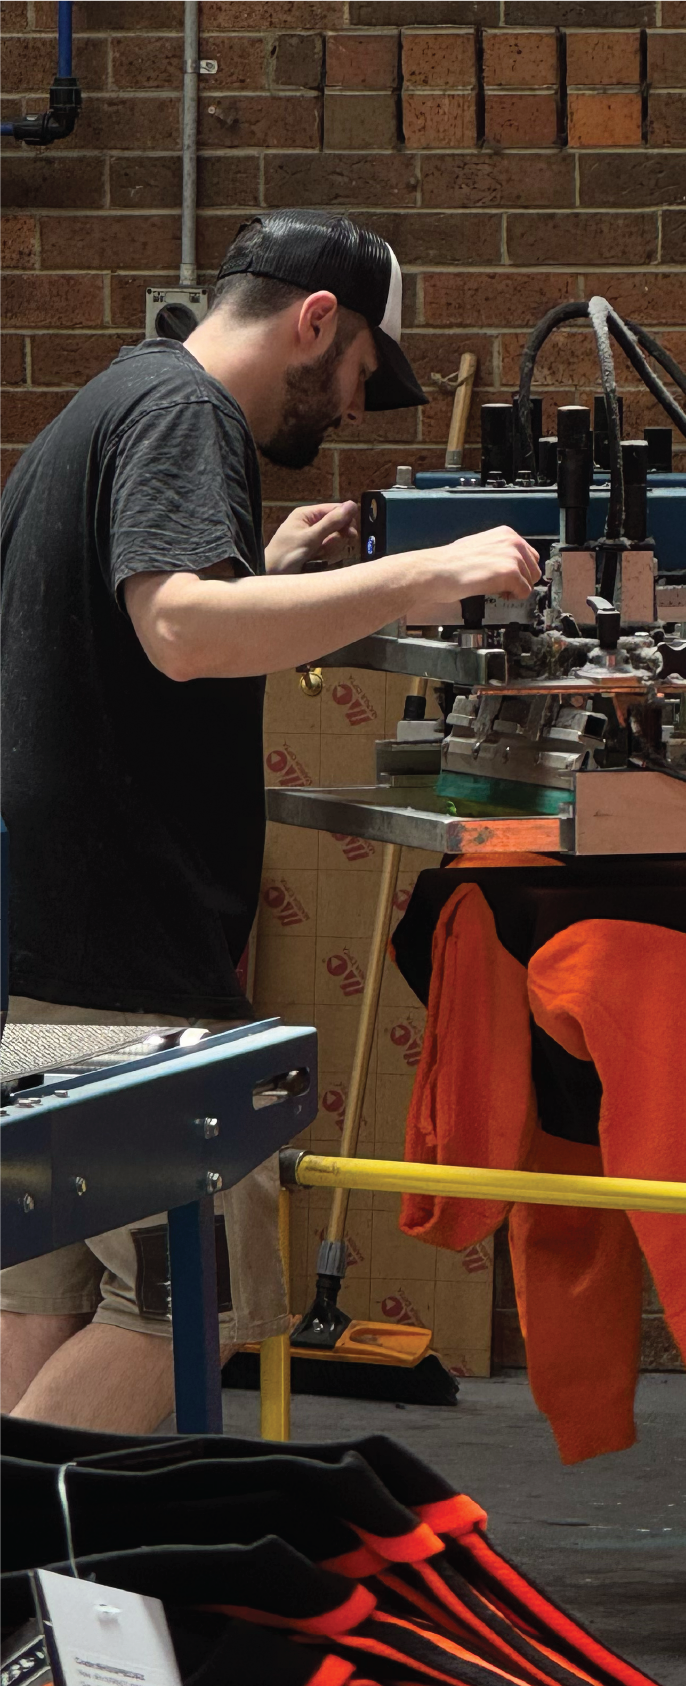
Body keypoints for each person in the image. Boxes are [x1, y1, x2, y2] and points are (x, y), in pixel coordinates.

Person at [0, 209, 541, 1433]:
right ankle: (17, 1565)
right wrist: (432, 570)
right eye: (358, 371)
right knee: (189, 1301)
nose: (350, 404)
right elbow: (183, 631)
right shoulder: (189, 416)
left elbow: (138, 633)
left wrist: (275, 576)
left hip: (41, 952)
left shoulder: (111, 402)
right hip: (121, 971)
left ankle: (30, 1611)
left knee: (41, 1291)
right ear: (314, 321)